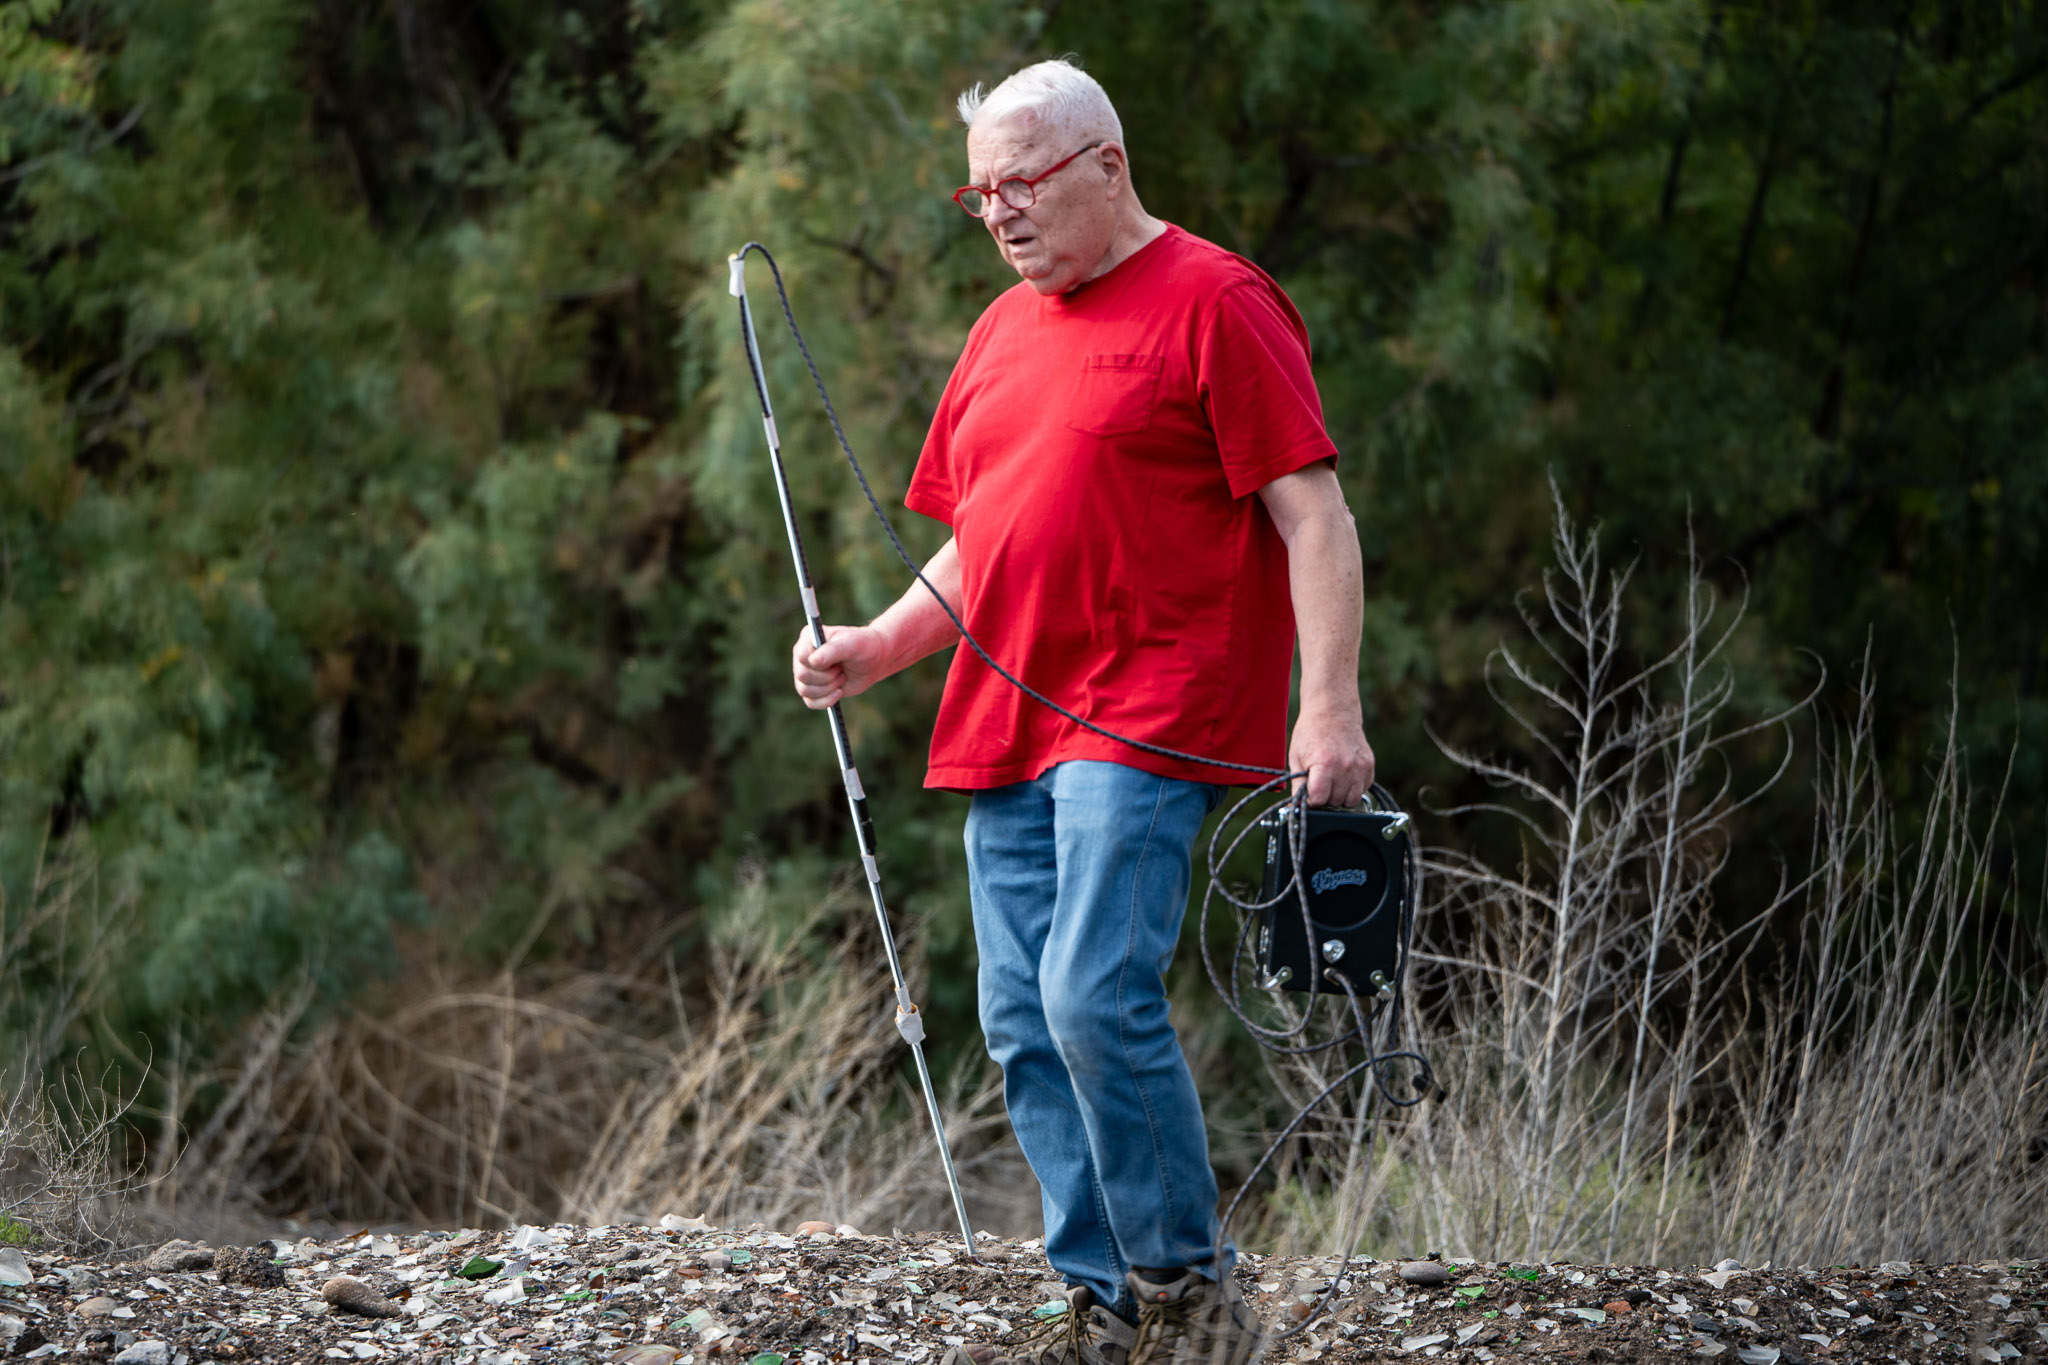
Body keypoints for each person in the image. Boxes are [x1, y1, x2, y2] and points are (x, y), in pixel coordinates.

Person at [790, 58, 1372, 1365]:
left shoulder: (1218, 301)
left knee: (1090, 991)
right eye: (980, 194)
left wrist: (1327, 707)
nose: (1000, 215)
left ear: (1108, 166)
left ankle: (1186, 1288)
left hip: (1143, 714)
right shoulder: (999, 333)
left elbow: (1313, 513)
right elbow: (977, 546)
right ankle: (1105, 1303)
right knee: (1016, 1017)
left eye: (1024, 185)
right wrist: (876, 644)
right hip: (1003, 717)